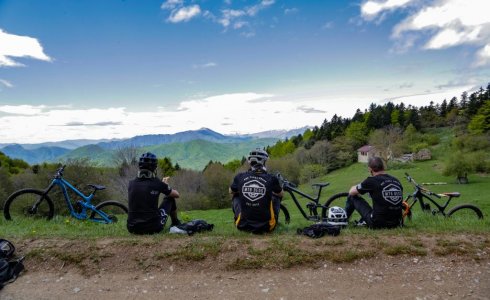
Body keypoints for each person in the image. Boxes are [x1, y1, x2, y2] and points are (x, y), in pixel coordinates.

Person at [229, 148, 283, 234]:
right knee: (276, 195)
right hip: (267, 227)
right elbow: (280, 194)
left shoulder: (240, 177)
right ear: (263, 162)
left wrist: (243, 191)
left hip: (242, 226)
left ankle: (241, 219)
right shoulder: (272, 178)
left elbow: (231, 191)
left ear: (250, 162)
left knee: (236, 195)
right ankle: (272, 219)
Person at [127, 152, 181, 234]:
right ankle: (175, 222)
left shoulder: (131, 183)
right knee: (170, 198)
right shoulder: (157, 183)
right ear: (154, 167)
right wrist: (165, 186)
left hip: (132, 228)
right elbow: (176, 195)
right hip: (153, 228)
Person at [346, 156, 403, 229]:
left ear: (370, 169)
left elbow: (351, 192)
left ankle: (344, 221)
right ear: (383, 167)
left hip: (378, 223)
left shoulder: (371, 181)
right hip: (397, 223)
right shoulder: (396, 180)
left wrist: (358, 186)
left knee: (352, 197)